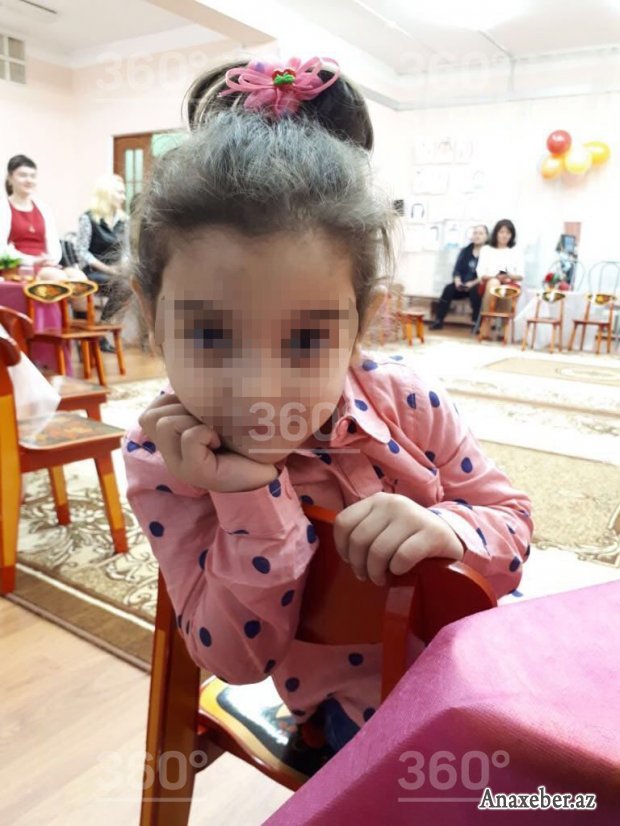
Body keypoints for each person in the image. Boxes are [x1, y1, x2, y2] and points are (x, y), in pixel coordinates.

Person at [122, 57, 533, 755]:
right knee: (472, 793)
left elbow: (513, 523)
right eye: (211, 334)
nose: (259, 388)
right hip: (363, 715)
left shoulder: (407, 401)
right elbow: (233, 660)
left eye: (307, 339)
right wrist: (247, 493)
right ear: (152, 318)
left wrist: (447, 531)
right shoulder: (163, 459)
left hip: (491, 665)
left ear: (361, 321)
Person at [75, 174, 130, 352]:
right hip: (92, 272)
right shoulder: (88, 218)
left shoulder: (124, 221)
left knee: (129, 285)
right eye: (119, 193)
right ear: (107, 193)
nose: (123, 197)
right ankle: (97, 334)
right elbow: (81, 251)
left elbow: (125, 250)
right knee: (122, 285)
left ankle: (101, 330)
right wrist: (107, 269)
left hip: (114, 273)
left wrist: (123, 266)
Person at [0, 155, 63, 279]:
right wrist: (32, 260)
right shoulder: (3, 208)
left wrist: (51, 260)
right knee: (58, 277)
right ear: (10, 179)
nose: (29, 180)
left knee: (78, 277)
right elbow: (2, 249)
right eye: (23, 175)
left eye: (33, 176)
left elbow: (54, 244)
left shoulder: (44, 209)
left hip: (45, 265)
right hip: (17, 267)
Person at [430, 224, 487, 330]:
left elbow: (486, 273)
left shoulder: (488, 253)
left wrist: (472, 283)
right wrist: (457, 281)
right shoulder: (465, 251)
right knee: (448, 289)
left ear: (486, 237)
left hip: (476, 285)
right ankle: (438, 320)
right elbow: (457, 269)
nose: (477, 236)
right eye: (475, 233)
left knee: (476, 291)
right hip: (462, 285)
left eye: (480, 233)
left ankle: (476, 323)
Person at [476, 219, 523, 314]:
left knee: (506, 288)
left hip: (510, 284)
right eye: (501, 232)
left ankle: (504, 320)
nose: (504, 235)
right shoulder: (486, 250)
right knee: (494, 283)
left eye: (508, 233)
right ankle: (488, 317)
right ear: (496, 233)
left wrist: (508, 276)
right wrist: (495, 277)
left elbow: (520, 275)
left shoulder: (516, 251)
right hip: (489, 283)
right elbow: (481, 273)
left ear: (512, 235)